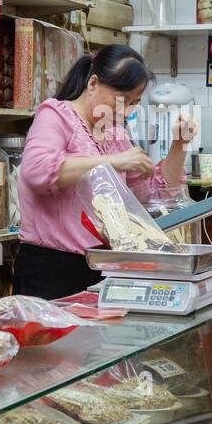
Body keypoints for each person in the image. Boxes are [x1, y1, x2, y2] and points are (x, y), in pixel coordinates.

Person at [16, 44, 195, 299]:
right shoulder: (55, 116)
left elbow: (152, 196)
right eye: (122, 100)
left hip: (103, 266)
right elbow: (37, 171)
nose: (128, 111)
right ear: (92, 84)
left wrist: (180, 145)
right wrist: (114, 162)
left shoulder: (115, 134)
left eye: (134, 103)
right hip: (51, 270)